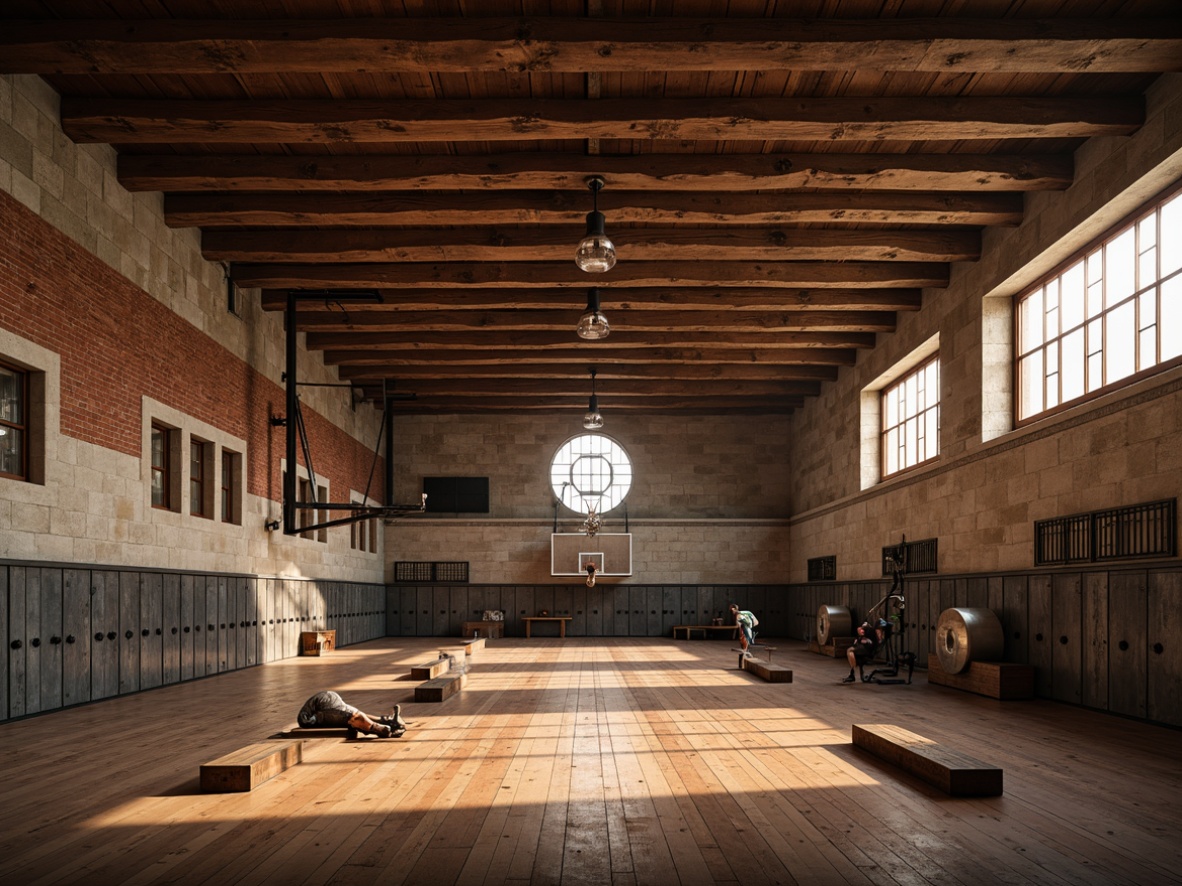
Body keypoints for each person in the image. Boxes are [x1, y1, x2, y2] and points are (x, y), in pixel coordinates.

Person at [297, 690, 407, 738]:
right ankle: (384, 723)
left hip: (323, 702)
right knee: (352, 716)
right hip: (321, 704)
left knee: (352, 716)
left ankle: (385, 723)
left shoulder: (313, 716)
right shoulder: (309, 718)